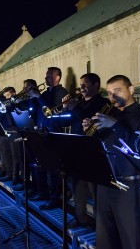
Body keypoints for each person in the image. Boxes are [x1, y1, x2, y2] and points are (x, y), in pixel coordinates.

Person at [83, 75, 140, 249]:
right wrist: (91, 130)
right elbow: (99, 147)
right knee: (106, 241)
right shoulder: (109, 116)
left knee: (136, 242)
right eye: (109, 93)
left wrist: (115, 126)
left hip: (132, 189)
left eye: (117, 90)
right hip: (106, 185)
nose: (113, 97)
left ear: (131, 90)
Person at [61, 73, 109, 226]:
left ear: (96, 85)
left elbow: (90, 119)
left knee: (95, 190)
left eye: (86, 83)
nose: (81, 87)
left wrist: (75, 107)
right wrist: (64, 108)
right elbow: (66, 121)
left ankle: (100, 224)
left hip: (93, 150)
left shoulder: (103, 103)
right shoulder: (79, 103)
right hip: (77, 149)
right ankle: (80, 216)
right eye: (81, 84)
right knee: (78, 185)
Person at [30, 67, 69, 210]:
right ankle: (43, 193)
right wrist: (33, 97)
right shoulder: (46, 93)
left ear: (58, 77)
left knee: (53, 170)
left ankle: (55, 199)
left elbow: (52, 110)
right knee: (42, 166)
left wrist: (39, 97)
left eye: (49, 76)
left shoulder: (62, 93)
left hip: (53, 133)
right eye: (46, 76)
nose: (45, 79)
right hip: (41, 132)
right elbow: (39, 110)